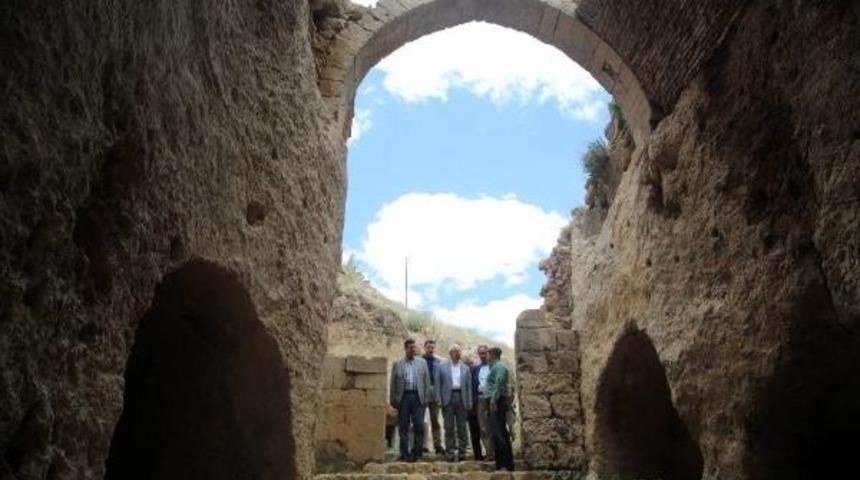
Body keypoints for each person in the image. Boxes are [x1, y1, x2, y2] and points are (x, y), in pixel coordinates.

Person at [390, 338, 432, 462]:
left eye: (414, 347)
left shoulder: (422, 363)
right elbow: (393, 384)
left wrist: (425, 399)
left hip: (418, 398)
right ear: (406, 348)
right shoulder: (398, 363)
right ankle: (404, 454)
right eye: (411, 347)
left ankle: (417, 454)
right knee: (403, 426)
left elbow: (427, 382)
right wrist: (393, 401)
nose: (413, 349)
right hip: (403, 398)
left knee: (419, 425)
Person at [435, 344, 473, 462]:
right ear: (450, 353)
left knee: (462, 427)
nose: (458, 354)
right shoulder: (441, 366)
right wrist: (438, 399)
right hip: (448, 398)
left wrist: (469, 401)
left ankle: (462, 452)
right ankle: (450, 452)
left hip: (462, 397)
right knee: (449, 427)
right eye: (455, 352)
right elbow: (437, 384)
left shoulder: (466, 368)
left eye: (459, 351)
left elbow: (469, 386)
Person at [485, 347, 514, 471]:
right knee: (499, 431)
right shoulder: (496, 367)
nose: (487, 357)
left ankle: (504, 464)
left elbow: (499, 383)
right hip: (495, 401)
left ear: (492, 355)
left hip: (496, 402)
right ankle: (502, 463)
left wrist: (493, 400)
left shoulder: (500, 367)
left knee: (498, 433)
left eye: (488, 354)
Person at [422, 339, 445, 455]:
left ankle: (438, 445)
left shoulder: (440, 362)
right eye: (429, 347)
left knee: (435, 420)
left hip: (435, 392)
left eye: (432, 348)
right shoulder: (419, 361)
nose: (431, 350)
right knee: (421, 420)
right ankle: (423, 445)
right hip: (422, 392)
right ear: (424, 348)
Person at [475, 344, 494, 461]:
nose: (482, 355)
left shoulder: (494, 366)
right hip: (481, 399)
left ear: (488, 353)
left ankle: (498, 452)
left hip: (493, 398)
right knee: (483, 427)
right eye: (480, 353)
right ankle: (489, 453)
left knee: (495, 425)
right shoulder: (476, 369)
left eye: (484, 353)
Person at [466, 354, 484, 461]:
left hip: (479, 404)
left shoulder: (478, 370)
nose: (470, 365)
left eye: (471, 363)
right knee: (474, 432)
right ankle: (478, 455)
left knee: (483, 430)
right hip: (471, 406)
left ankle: (489, 453)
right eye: (468, 363)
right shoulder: (467, 372)